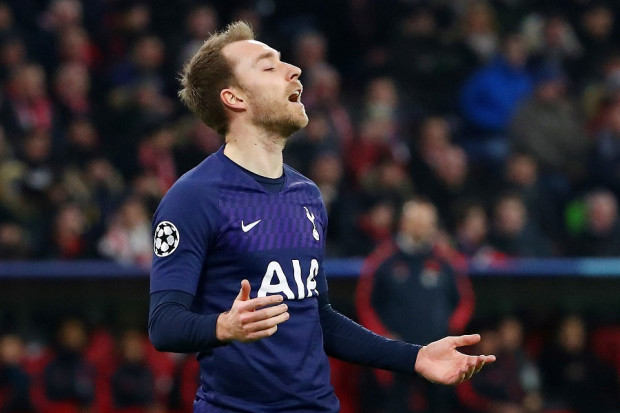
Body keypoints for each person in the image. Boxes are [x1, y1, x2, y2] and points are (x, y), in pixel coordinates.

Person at [148, 21, 495, 413]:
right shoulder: (193, 197)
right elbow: (164, 324)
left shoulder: (307, 195)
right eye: (268, 66)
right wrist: (223, 326)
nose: (294, 70)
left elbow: (320, 318)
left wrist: (415, 357)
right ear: (234, 98)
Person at [356, 198, 475, 412]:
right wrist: (382, 336)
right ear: (403, 223)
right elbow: (365, 303)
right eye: (416, 221)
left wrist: (450, 330)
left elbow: (465, 300)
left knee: (440, 405)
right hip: (396, 353)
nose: (421, 226)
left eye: (426, 221)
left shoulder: (447, 260)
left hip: (438, 350)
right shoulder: (383, 259)